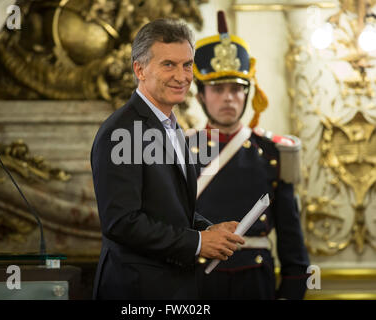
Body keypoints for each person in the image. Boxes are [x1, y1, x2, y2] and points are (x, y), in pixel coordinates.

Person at [90, 18, 245, 300]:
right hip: (136, 291)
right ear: (140, 69)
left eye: (187, 64)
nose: (182, 75)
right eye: (168, 64)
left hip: (175, 287)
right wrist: (198, 242)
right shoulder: (122, 131)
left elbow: (167, 208)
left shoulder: (172, 126)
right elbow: (122, 222)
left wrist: (208, 229)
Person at [188, 11, 310, 300]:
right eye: (218, 89)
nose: (228, 97)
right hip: (195, 282)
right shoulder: (177, 150)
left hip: (256, 282)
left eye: (237, 89)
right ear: (200, 96)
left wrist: (291, 293)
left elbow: (292, 240)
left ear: (247, 95)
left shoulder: (272, 152)